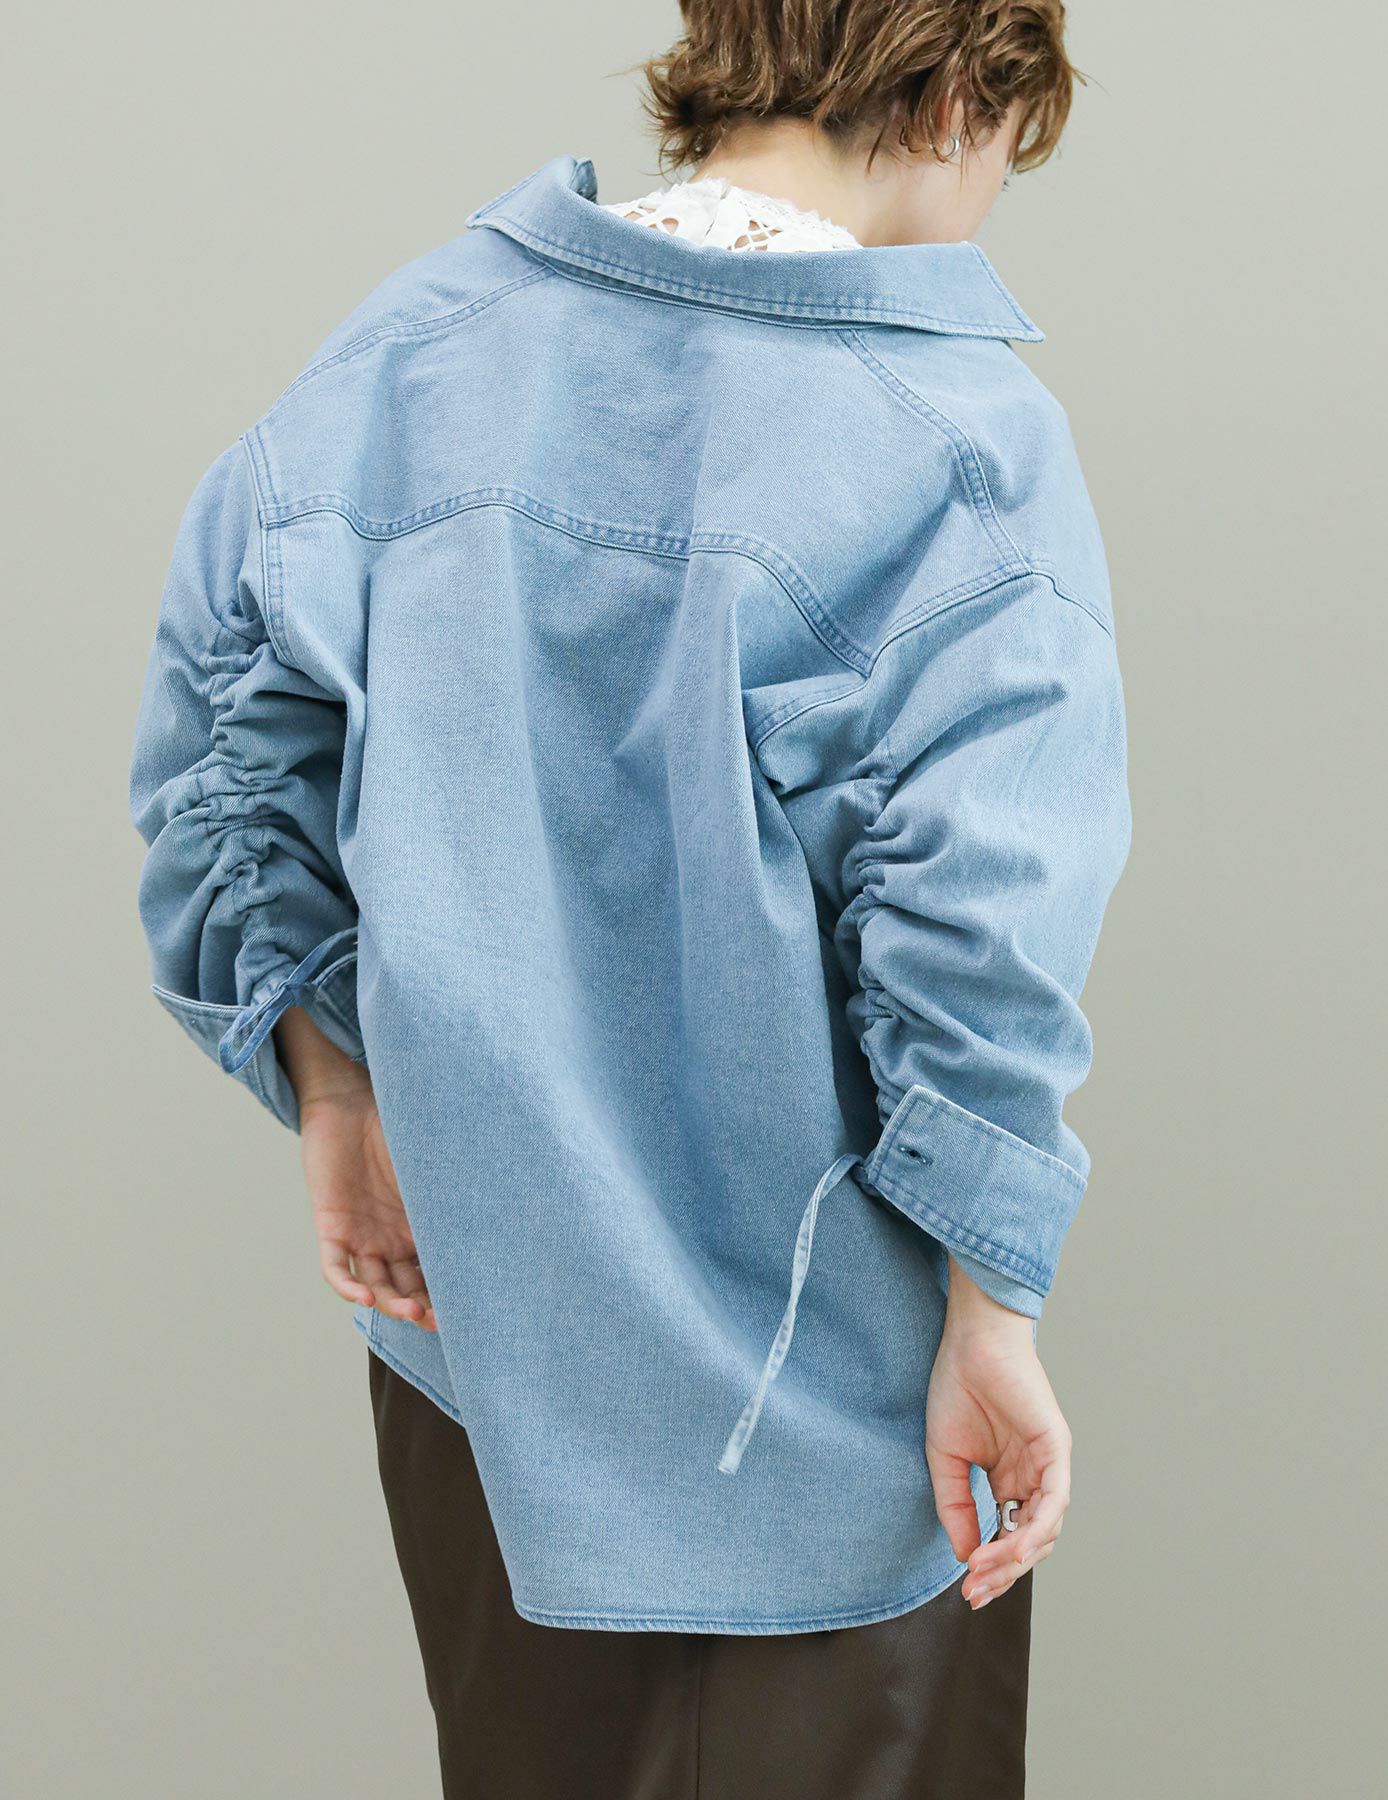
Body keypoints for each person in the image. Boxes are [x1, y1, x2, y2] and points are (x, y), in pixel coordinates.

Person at [128, 3, 1131, 1792]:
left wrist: (334, 1087)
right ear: (960, 95)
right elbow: (982, 918)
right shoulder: (958, 447)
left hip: (489, 1364)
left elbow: (223, 740)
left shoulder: (408, 354)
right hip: (839, 1405)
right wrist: (995, 1308)